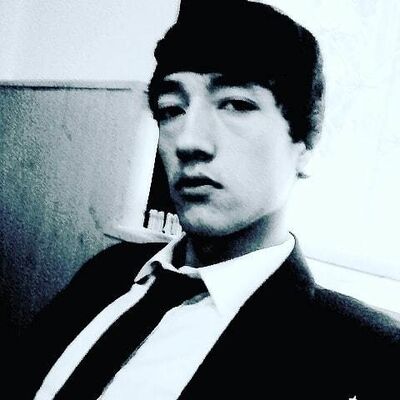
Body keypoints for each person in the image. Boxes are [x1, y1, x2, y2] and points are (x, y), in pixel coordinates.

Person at [11, 1, 399, 399]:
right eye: (171, 109)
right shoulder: (108, 272)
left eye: (237, 104)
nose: (188, 141)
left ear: (306, 145)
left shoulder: (364, 356)